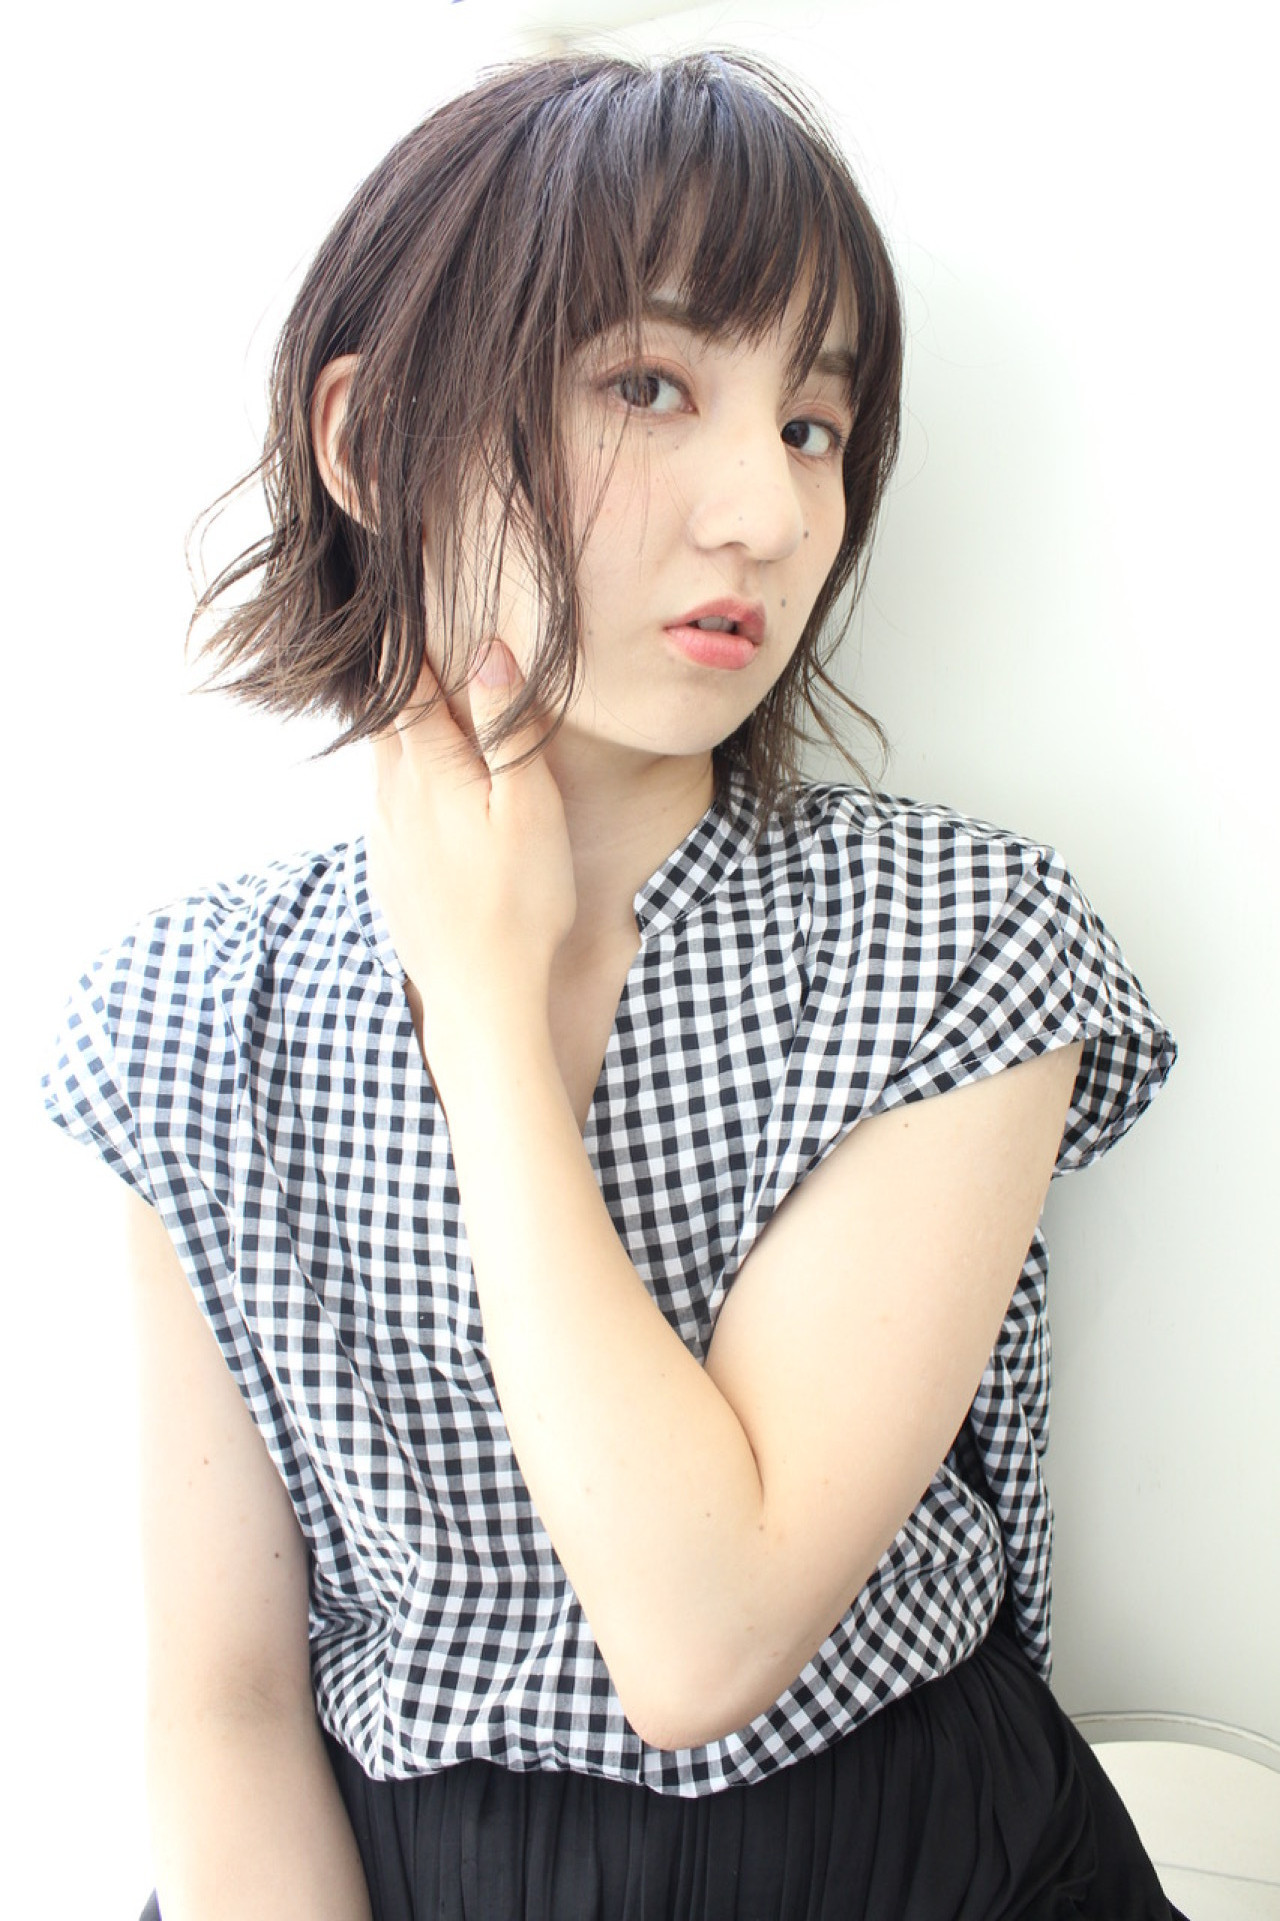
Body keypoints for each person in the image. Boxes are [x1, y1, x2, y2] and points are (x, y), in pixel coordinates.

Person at [43, 50, 1183, 1921]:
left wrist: (490, 1026)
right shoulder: (196, 1013)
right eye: (649, 386)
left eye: (811, 424)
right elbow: (225, 1709)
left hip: (914, 1861)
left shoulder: (949, 938)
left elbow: (704, 1633)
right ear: (371, 439)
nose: (768, 514)